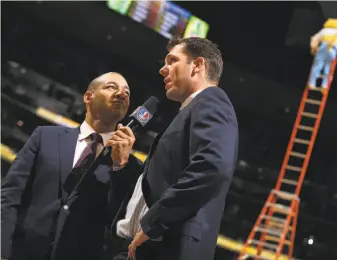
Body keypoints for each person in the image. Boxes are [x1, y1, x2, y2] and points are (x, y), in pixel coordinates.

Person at [113, 37, 239, 260]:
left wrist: (154, 222)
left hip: (167, 249)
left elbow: (212, 166)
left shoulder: (211, 100)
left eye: (172, 60)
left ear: (198, 65)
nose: (163, 69)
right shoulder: (190, 111)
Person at [1, 72, 142, 260]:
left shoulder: (129, 166)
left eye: (127, 93)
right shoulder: (45, 136)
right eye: (111, 87)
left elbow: (119, 223)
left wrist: (120, 166)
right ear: (88, 97)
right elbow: (10, 196)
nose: (122, 94)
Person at [308, 18, 337, 93]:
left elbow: (314, 39)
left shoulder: (324, 31)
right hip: (332, 50)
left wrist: (313, 48)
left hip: (322, 48)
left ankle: (311, 83)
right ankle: (324, 86)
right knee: (328, 68)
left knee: (317, 65)